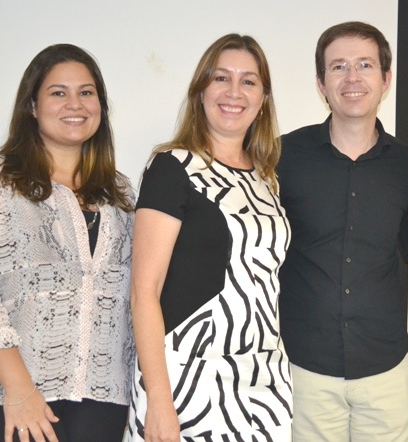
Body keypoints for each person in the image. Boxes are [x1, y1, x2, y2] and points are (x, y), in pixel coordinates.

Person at [0, 44, 135, 442]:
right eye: (58, 92)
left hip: (102, 397)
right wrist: (19, 389)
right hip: (7, 398)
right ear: (32, 105)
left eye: (86, 92)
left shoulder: (121, 195)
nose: (75, 104)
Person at [128, 34, 292, 442]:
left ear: (264, 97)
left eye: (249, 81)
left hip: (263, 382)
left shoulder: (266, 178)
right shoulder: (173, 168)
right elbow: (143, 291)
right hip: (188, 380)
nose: (234, 92)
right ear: (201, 90)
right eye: (221, 78)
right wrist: (160, 401)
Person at [277, 21, 408, 441]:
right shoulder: (284, 155)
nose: (353, 77)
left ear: (386, 79)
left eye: (365, 64)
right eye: (338, 67)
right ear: (322, 84)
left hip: (386, 370)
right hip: (303, 369)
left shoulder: (407, 164)